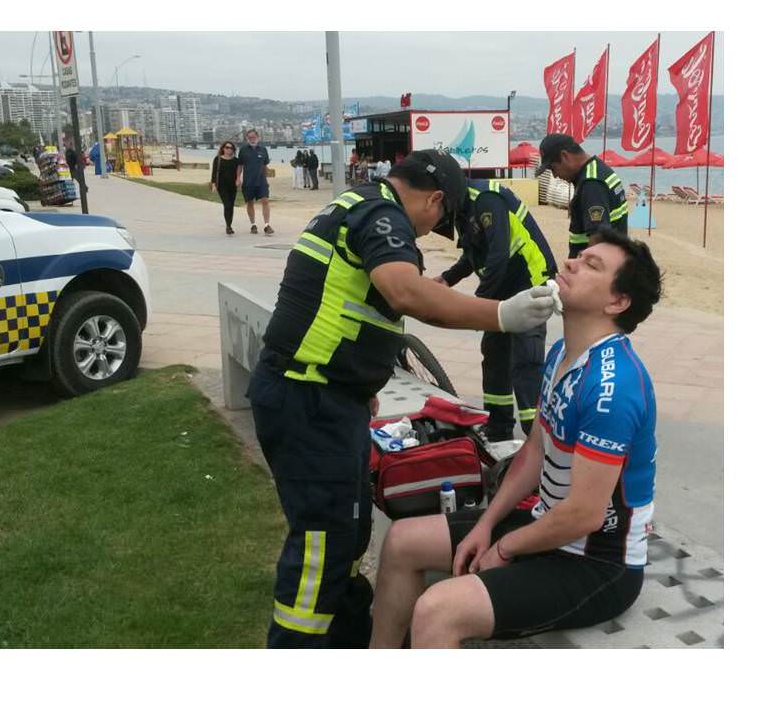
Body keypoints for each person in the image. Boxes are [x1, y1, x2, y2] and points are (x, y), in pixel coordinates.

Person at [247, 149, 558, 648]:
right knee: (323, 541)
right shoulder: (382, 214)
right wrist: (501, 315)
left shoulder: (355, 204)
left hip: (328, 395)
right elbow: (404, 293)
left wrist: (360, 384)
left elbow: (342, 304)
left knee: (348, 531)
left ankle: (345, 636)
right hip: (310, 400)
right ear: (434, 200)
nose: (431, 230)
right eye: (440, 219)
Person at [369, 228, 662, 648]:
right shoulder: (563, 353)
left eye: (591, 265)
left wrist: (504, 548)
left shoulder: (611, 388)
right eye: (579, 255)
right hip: (549, 525)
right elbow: (534, 450)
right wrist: (486, 524)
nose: (571, 262)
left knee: (438, 610)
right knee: (402, 541)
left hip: (598, 561)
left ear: (617, 302)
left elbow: (584, 515)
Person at [435, 179, 557, 441]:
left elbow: (499, 253)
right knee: (493, 355)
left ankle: (536, 436)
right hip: (501, 287)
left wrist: (479, 303)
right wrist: (446, 279)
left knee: (526, 360)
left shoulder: (486, 199)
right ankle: (498, 427)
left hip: (529, 282)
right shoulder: (463, 208)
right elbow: (474, 253)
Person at [535, 133, 629, 258]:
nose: (555, 175)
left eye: (553, 168)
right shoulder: (598, 170)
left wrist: (583, 267)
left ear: (565, 156)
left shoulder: (591, 184)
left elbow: (598, 237)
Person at [236, 129, 273, 235]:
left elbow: (265, 165)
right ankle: (253, 224)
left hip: (261, 181)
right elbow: (240, 165)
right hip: (248, 181)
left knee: (265, 200)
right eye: (249, 137)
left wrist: (266, 178)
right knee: (250, 202)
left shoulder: (263, 150)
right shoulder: (243, 150)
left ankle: (267, 225)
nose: (252, 139)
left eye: (253, 137)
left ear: (257, 137)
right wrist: (238, 178)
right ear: (247, 138)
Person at [211, 141, 239, 236]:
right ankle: (228, 226)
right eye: (227, 147)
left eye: (231, 148)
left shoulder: (236, 160)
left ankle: (229, 225)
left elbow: (239, 170)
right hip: (222, 186)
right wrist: (213, 184)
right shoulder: (218, 159)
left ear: (233, 150)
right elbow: (214, 172)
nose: (229, 149)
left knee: (231, 206)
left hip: (232, 186)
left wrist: (238, 180)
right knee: (227, 205)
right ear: (223, 148)